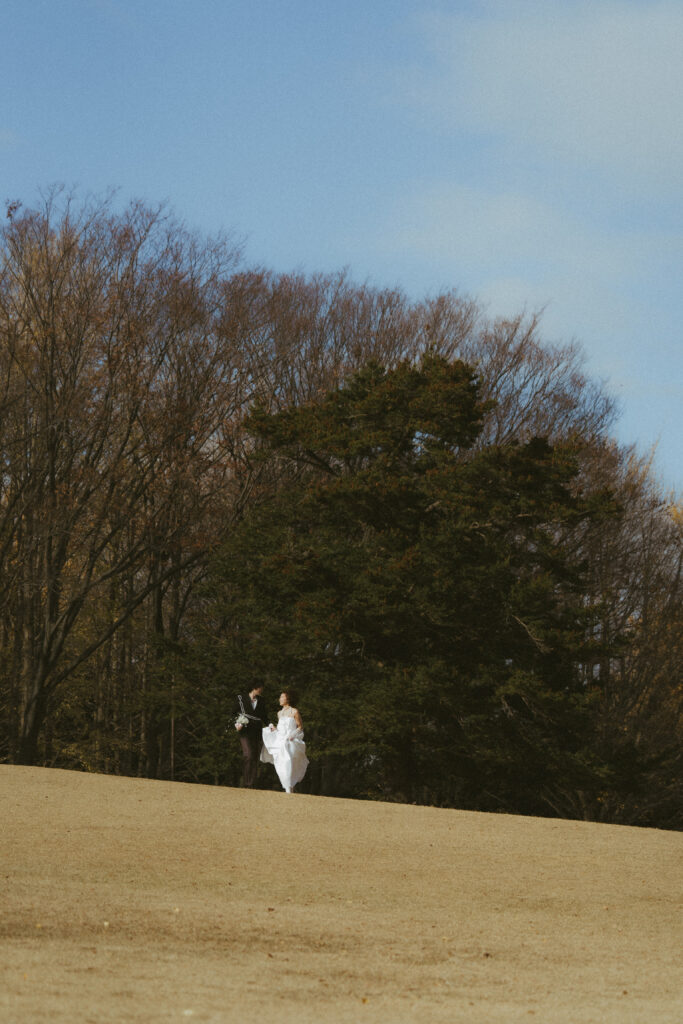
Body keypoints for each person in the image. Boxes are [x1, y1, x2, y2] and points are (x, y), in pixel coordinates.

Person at [260, 689, 308, 793]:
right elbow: (281, 728)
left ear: (288, 698)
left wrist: (292, 735)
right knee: (281, 763)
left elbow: (300, 727)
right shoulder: (279, 713)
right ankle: (287, 786)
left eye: (282, 697)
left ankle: (290, 787)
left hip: (291, 741)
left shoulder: (294, 711)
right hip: (281, 741)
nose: (280, 699)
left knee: (290, 762)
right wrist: (274, 729)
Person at [233, 685, 270, 788]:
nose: (262, 690)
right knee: (248, 755)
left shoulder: (261, 701)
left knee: (255, 756)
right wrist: (236, 723)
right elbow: (233, 713)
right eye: (261, 688)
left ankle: (251, 784)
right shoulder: (241, 698)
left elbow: (265, 716)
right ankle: (246, 783)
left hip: (257, 731)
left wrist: (270, 725)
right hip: (245, 731)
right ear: (255, 687)